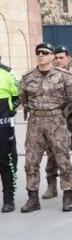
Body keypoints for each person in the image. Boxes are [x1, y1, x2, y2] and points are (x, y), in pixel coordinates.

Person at [18, 43, 72, 213]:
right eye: (38, 53)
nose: (41, 55)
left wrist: (62, 113)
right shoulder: (27, 77)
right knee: (31, 161)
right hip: (35, 122)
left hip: (56, 121)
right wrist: (34, 111)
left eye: (45, 53)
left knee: (62, 159)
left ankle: (67, 195)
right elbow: (23, 98)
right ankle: (32, 198)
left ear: (52, 56)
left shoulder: (64, 76)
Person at [42, 45, 72, 199]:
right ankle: (51, 185)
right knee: (52, 153)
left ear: (68, 58)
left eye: (61, 57)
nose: (58, 61)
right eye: (56, 58)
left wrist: (71, 108)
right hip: (54, 122)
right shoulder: (48, 74)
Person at [0, 53, 19, 212]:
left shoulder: (8, 73)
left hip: (3, 127)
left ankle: (8, 199)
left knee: (5, 163)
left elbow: (18, 95)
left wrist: (10, 112)